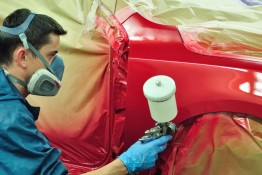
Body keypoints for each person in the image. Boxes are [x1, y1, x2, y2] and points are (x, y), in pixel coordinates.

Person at [0, 8, 172, 175]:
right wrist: (126, 164)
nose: (56, 66)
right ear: (22, 56)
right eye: (51, 56)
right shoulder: (11, 119)